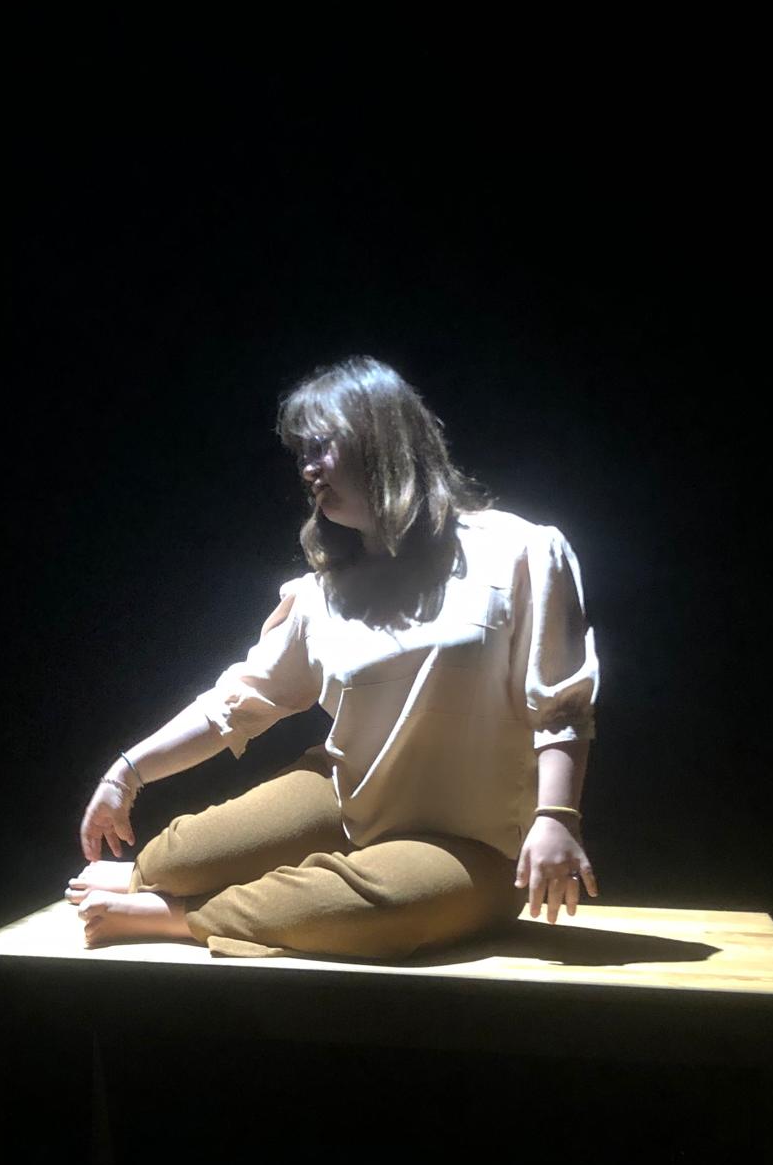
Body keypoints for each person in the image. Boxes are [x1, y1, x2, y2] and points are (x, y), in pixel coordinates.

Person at [65, 354, 600, 959]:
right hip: (346, 799)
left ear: (381, 435)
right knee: (175, 860)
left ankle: (184, 916)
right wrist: (125, 773)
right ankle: (156, 881)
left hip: (475, 841)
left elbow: (562, 703)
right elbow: (234, 704)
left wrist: (557, 816)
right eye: (303, 454)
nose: (309, 468)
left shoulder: (520, 551)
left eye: (322, 446)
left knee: (383, 907)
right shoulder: (323, 593)